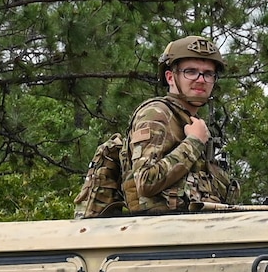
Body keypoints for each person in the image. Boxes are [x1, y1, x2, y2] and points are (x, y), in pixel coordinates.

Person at [75, 35, 239, 218]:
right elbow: (145, 181)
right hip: (161, 233)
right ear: (170, 77)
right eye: (191, 71)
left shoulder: (188, 120)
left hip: (190, 232)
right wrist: (194, 142)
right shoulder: (156, 113)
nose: (201, 79)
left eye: (208, 74)